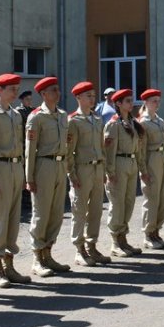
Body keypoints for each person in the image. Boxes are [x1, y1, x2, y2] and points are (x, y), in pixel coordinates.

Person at [0, 72, 30, 288]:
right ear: (0, 90)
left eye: (17, 89)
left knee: (12, 220)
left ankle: (9, 265)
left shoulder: (16, 115)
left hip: (15, 168)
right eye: (12, 89)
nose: (15, 93)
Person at [24, 76, 71, 277]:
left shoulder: (62, 115)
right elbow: (30, 149)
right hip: (44, 164)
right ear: (43, 94)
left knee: (56, 214)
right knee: (41, 213)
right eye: (53, 90)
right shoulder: (36, 117)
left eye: (58, 89)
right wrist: (29, 177)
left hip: (60, 165)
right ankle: (37, 258)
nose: (57, 93)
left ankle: (48, 253)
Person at [66, 81, 110, 266]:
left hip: (97, 168)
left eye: (93, 95)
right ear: (78, 98)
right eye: (88, 96)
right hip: (82, 169)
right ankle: (79, 249)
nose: (92, 99)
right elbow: (69, 151)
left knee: (95, 211)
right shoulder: (73, 120)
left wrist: (105, 170)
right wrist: (72, 174)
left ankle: (92, 246)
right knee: (80, 210)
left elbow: (101, 147)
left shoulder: (97, 119)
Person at [103, 88, 145, 257]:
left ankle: (123, 239)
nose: (131, 103)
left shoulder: (133, 122)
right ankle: (115, 242)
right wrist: (110, 172)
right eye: (127, 101)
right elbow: (109, 151)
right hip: (119, 164)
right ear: (118, 104)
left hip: (131, 163)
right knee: (117, 204)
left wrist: (142, 168)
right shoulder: (113, 124)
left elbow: (138, 149)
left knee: (128, 203)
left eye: (131, 100)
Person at [137, 89, 164, 249]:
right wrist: (143, 170)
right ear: (146, 102)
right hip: (151, 159)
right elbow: (141, 149)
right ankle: (148, 234)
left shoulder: (160, 120)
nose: (157, 104)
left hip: (163, 158)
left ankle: (157, 231)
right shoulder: (142, 123)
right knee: (151, 198)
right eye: (153, 101)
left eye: (158, 100)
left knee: (162, 197)